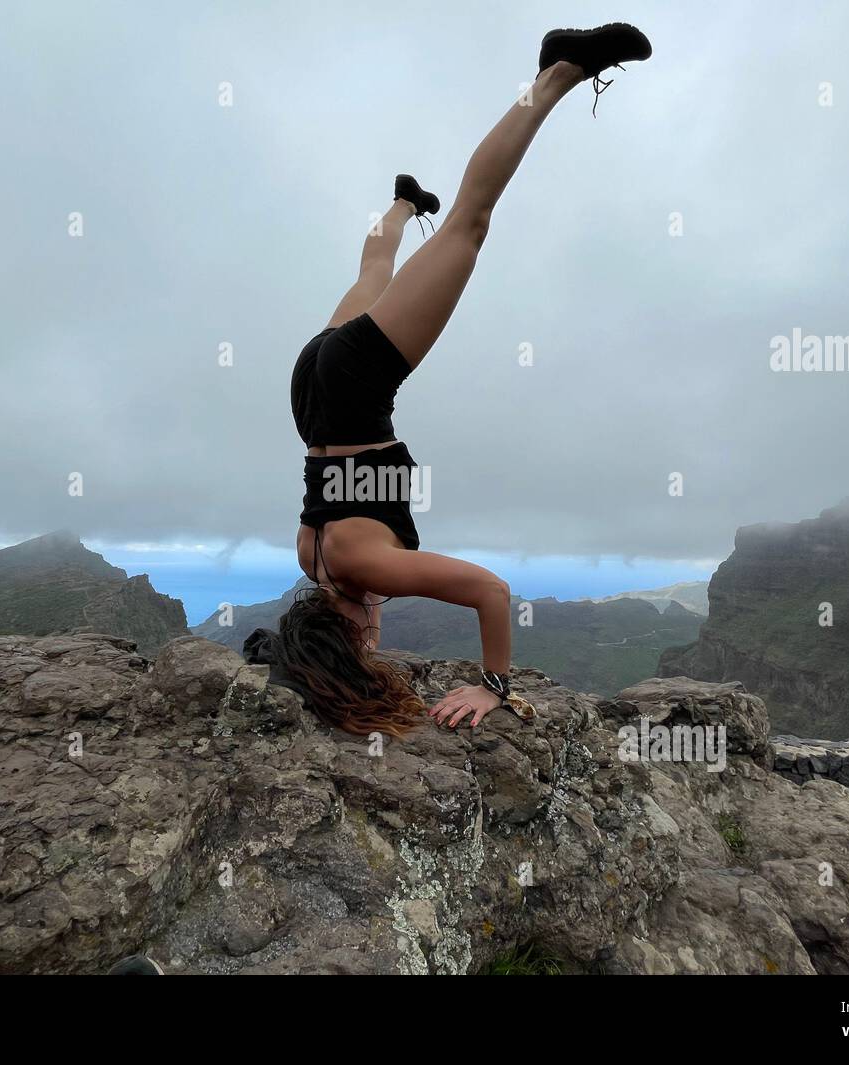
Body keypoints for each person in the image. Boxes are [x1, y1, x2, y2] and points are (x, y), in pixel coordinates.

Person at [278, 23, 653, 737]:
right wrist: (364, 600)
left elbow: (490, 590)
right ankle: (401, 204)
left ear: (349, 631)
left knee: (470, 226)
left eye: (364, 642)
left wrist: (494, 685)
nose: (376, 643)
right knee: (372, 276)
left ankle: (558, 72)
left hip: (356, 387)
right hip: (311, 395)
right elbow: (334, 516)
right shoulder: (318, 561)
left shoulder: (367, 567)